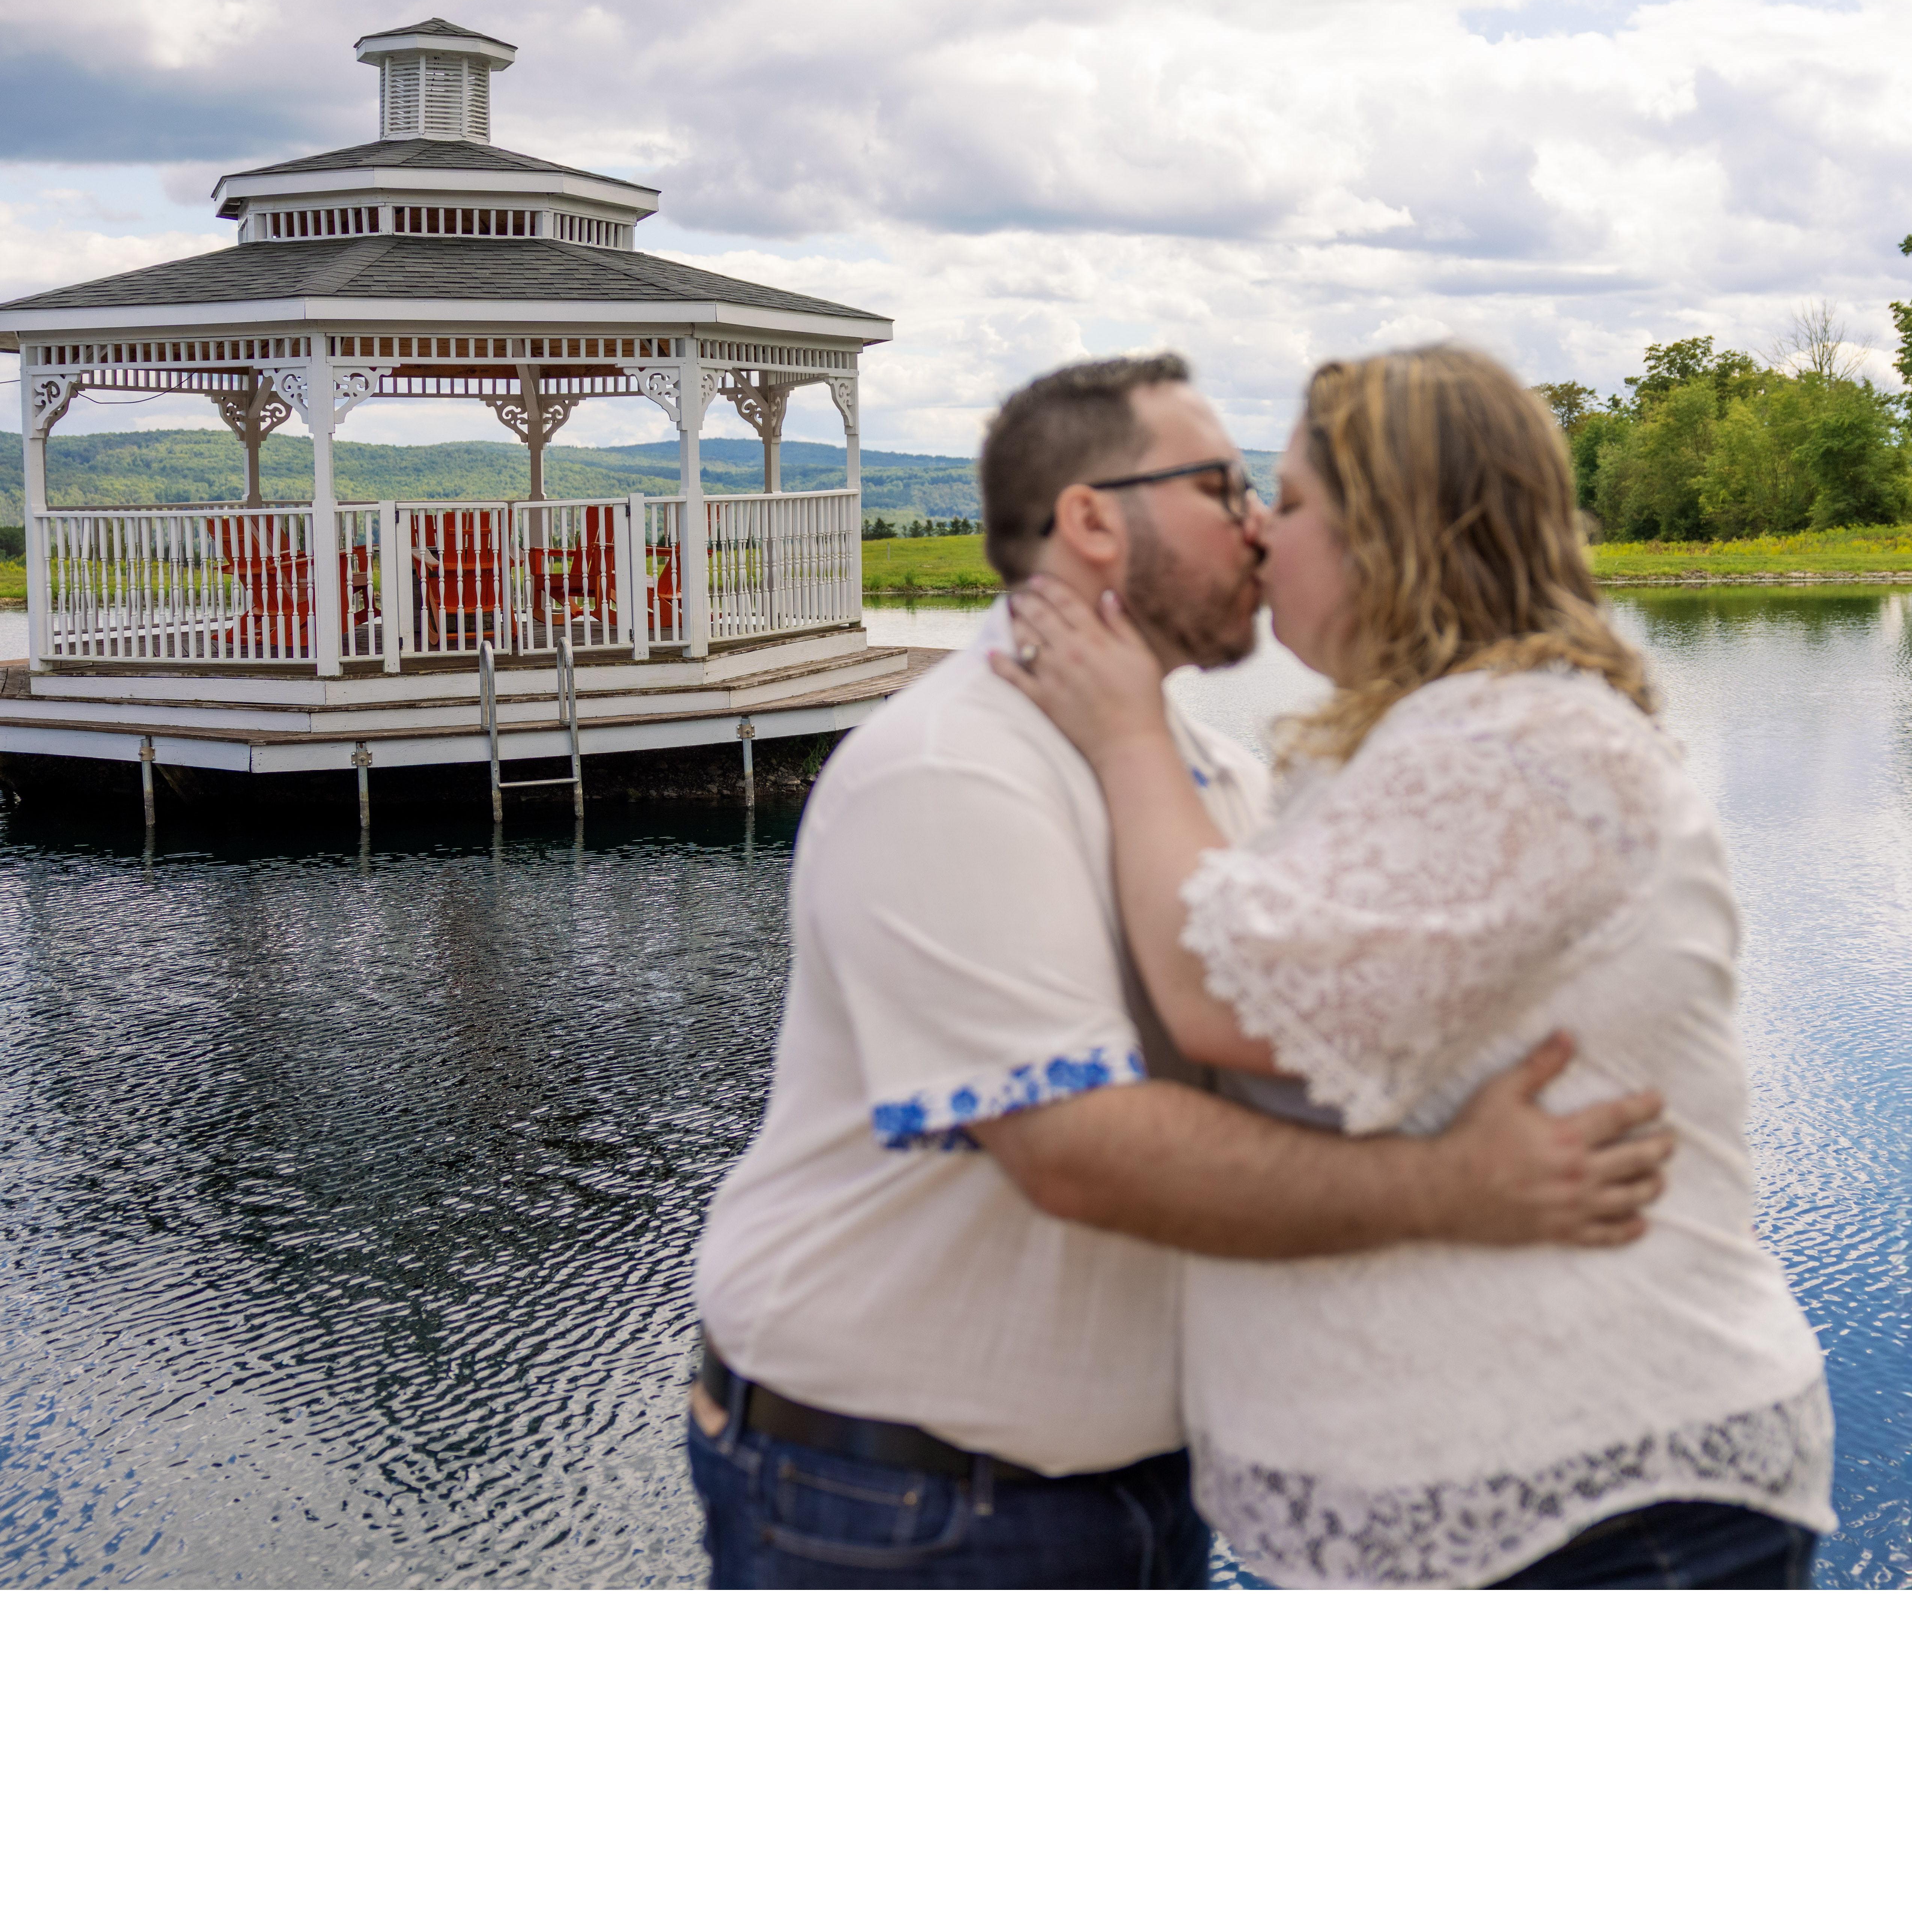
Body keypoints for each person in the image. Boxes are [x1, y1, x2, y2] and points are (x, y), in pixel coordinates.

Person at [687, 351, 1677, 1589]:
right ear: (1095, 520)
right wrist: (1455, 1189)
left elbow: (1297, 1038)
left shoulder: (1203, 772)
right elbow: (1076, 1148)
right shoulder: (952, 769)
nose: (1261, 526)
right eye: (1224, 487)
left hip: (1122, 1496)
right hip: (899, 1506)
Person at [997, 342, 1834, 1589]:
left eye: (1291, 502)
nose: (1264, 538)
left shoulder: (1524, 745)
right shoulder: (1433, 734)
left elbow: (1227, 994)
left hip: (1602, 1508)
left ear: (1393, 533)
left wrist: (1125, 737)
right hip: (1530, 1500)